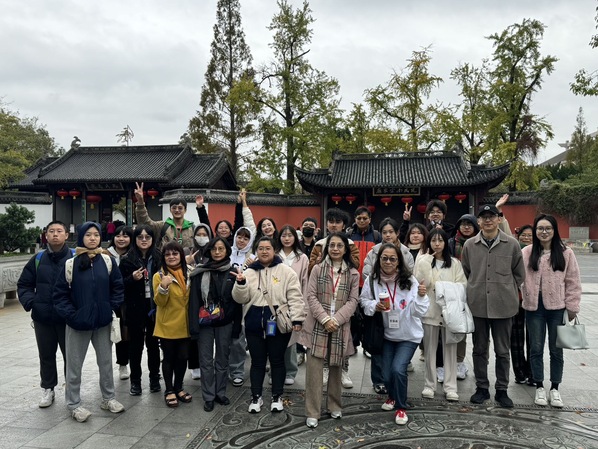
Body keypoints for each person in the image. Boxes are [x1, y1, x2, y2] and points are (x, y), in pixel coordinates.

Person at [53, 221, 125, 422]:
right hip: (77, 324)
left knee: (106, 363)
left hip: (102, 322)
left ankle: (108, 398)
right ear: (81, 237)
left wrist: (109, 308)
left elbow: (117, 287)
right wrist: (72, 315)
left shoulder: (107, 261)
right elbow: (59, 294)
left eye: (96, 234)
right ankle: (74, 404)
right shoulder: (70, 264)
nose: (93, 238)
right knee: (74, 365)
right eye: (88, 235)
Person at [461, 204, 525, 408]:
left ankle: (502, 389)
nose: (488, 220)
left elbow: (519, 274)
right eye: (483, 217)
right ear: (478, 221)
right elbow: (466, 271)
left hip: (503, 305)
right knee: (479, 349)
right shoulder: (470, 245)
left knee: (502, 350)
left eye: (492, 216)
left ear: (499, 219)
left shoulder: (512, 244)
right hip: (478, 305)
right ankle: (481, 387)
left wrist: (505, 289)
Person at [232, 236, 305, 414]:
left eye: (268, 248)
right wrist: (240, 283)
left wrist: (297, 319)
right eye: (260, 248)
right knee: (257, 362)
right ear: (256, 251)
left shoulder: (286, 272)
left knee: (277, 361)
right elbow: (240, 298)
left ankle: (276, 396)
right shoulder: (249, 272)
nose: (264, 251)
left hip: (277, 323)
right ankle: (256, 397)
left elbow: (295, 296)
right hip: (254, 323)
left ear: (274, 250)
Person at [360, 243, 428, 426]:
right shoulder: (372, 280)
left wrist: (421, 296)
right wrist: (374, 306)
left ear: (399, 261)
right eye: (384, 258)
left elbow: (419, 311)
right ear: (379, 260)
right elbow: (363, 301)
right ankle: (391, 396)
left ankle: (400, 406)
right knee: (386, 374)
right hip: (386, 334)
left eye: (392, 258)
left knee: (398, 369)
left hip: (408, 334)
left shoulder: (409, 280)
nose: (388, 262)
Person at [521, 214, 581, 408]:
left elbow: (573, 281)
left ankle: (555, 388)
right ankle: (539, 385)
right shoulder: (527, 252)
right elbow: (519, 276)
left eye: (548, 228)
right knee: (536, 348)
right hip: (534, 306)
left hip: (557, 306)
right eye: (540, 228)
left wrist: (572, 307)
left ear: (554, 231)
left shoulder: (566, 253)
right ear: (535, 231)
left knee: (556, 350)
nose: (544, 232)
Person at [301, 232, 359, 428]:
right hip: (318, 323)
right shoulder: (317, 269)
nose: (335, 249)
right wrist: (325, 319)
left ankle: (334, 405)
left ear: (345, 249)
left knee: (336, 366)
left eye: (339, 246)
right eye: (332, 245)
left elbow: (353, 300)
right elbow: (310, 296)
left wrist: (337, 319)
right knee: (314, 370)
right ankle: (312, 411)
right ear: (326, 248)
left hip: (340, 324)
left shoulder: (353, 273)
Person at [17, 221, 73, 408]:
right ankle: (48, 388)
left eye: (59, 231)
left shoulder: (74, 258)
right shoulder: (38, 259)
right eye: (51, 231)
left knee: (71, 356)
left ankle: (71, 389)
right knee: (46, 355)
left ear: (66, 235)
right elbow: (24, 284)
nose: (55, 234)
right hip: (43, 317)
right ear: (46, 235)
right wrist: (32, 303)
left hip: (67, 318)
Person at [308, 208, 360, 388]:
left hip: (342, 300)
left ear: (344, 225)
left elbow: (356, 265)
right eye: (331, 221)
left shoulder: (350, 244)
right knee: (323, 339)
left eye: (338, 222)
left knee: (343, 339)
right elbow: (310, 268)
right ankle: (324, 367)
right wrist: (318, 262)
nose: (334, 225)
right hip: (324, 297)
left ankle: (343, 369)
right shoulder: (319, 244)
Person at [362, 217, 414, 393]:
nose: (388, 235)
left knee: (398, 347)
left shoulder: (406, 252)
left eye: (391, 231)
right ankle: (378, 380)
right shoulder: (374, 251)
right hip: (380, 302)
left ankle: (395, 378)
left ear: (397, 233)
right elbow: (367, 272)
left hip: (400, 305)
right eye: (384, 232)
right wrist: (380, 281)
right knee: (378, 345)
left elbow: (410, 275)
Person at [414, 229, 467, 402]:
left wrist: (444, 289)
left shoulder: (455, 263)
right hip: (430, 311)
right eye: (433, 240)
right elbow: (419, 283)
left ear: (446, 242)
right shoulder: (423, 261)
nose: (437, 244)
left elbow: (462, 285)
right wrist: (426, 262)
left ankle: (450, 387)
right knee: (430, 350)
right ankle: (429, 385)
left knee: (450, 350)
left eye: (440, 240)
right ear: (428, 242)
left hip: (450, 313)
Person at [188, 237, 240, 412]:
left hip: (225, 322)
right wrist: (193, 328)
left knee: (222, 359)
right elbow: (194, 301)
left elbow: (237, 302)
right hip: (204, 323)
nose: (217, 252)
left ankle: (220, 392)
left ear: (227, 251)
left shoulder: (233, 272)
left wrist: (236, 326)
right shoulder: (200, 272)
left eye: (221, 249)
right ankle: (208, 396)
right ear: (209, 251)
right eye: (214, 249)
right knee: (206, 360)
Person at [118, 225, 162, 396]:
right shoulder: (127, 259)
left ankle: (154, 379)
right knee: (135, 347)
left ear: (152, 239)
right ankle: (135, 381)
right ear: (135, 239)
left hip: (154, 308)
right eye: (140, 237)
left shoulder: (158, 257)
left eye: (147, 237)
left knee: (153, 345)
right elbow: (119, 284)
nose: (144, 240)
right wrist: (132, 278)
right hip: (135, 308)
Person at [152, 241, 191, 408]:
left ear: (181, 255)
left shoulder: (190, 273)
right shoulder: (159, 275)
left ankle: (179, 387)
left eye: (175, 253)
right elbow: (159, 302)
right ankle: (169, 390)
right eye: (167, 254)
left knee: (183, 357)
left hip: (185, 324)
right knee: (168, 358)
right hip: (167, 325)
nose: (171, 257)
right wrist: (163, 287)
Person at [446, 214, 479, 381]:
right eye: (463, 224)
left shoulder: (480, 243)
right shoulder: (451, 243)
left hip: (475, 288)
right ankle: (452, 362)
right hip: (455, 289)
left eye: (469, 224)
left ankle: (462, 362)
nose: (466, 227)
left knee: (469, 328)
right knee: (454, 326)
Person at [277, 225, 309, 385]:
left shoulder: (302, 258)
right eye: (284, 235)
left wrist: (303, 306)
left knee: (290, 338)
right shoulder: (275, 255)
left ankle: (290, 370)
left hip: (294, 302)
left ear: (295, 238)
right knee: (275, 338)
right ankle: (275, 371)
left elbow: (305, 283)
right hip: (276, 303)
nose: (287, 238)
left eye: (290, 235)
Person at [228, 226, 256, 387]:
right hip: (226, 302)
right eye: (239, 237)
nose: (241, 240)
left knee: (239, 340)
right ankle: (224, 368)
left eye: (246, 238)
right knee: (226, 338)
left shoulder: (252, 258)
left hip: (244, 303)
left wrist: (253, 266)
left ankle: (237, 371)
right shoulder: (227, 253)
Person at [105, 225, 134, 381]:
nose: (121, 239)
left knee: (125, 333)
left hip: (129, 300)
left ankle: (124, 363)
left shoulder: (134, 255)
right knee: (111, 333)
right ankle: (115, 364)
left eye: (125, 236)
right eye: (118, 235)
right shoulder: (105, 254)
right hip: (109, 299)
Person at [134, 182, 194, 249]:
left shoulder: (192, 227)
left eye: (180, 208)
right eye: (174, 208)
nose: (177, 210)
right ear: (170, 210)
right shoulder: (162, 226)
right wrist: (140, 202)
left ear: (185, 210)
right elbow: (145, 223)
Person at [512, 224, 533, 385]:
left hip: (534, 302)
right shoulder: (514, 252)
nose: (526, 238)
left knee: (533, 339)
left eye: (530, 235)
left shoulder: (539, 254)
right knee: (516, 338)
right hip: (516, 300)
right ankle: (519, 372)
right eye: (523, 235)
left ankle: (533, 372)